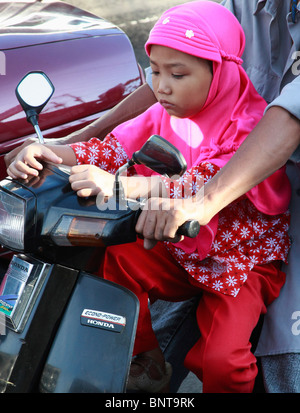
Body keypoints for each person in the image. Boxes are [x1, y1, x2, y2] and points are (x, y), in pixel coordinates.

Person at [7, 1, 291, 393]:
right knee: (116, 256)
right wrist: (48, 152)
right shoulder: (164, 111)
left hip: (239, 266)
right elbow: (109, 150)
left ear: (221, 71)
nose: (162, 86)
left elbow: (201, 183)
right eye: (155, 71)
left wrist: (122, 187)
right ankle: (146, 359)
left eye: (178, 73)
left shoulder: (249, 125)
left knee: (222, 361)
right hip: (180, 249)